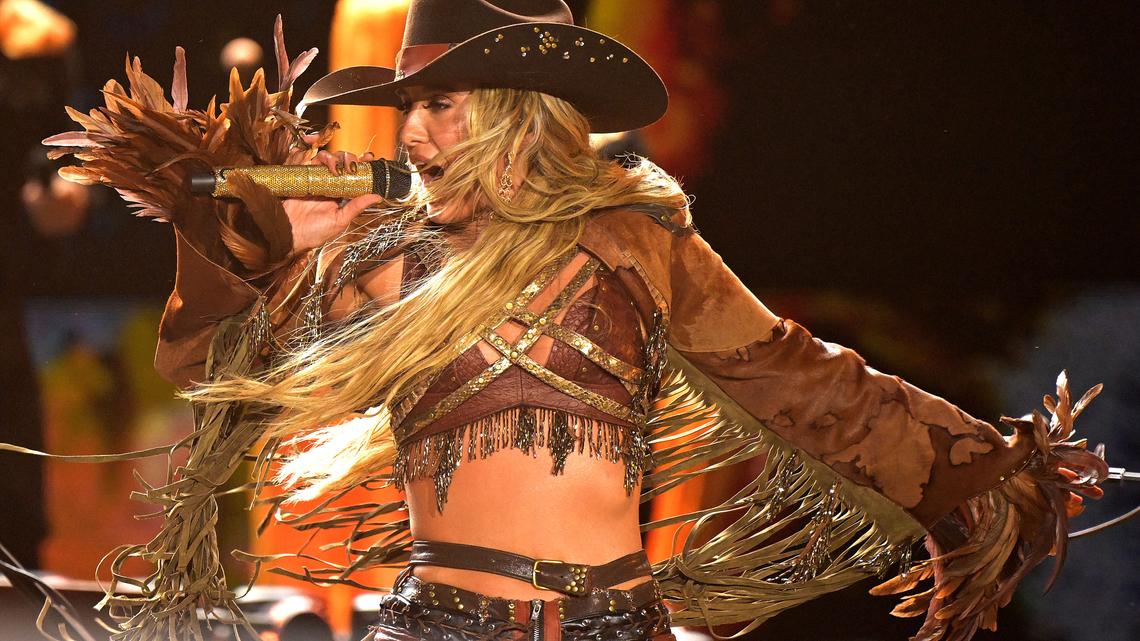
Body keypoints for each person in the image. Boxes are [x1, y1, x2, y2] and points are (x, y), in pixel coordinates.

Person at [34, 2, 1109, 640]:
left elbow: (799, 380)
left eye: (437, 105)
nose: (410, 134)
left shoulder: (638, 236)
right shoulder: (383, 254)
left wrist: (985, 468)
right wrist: (248, 247)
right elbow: (207, 366)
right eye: (405, 107)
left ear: (514, 110)